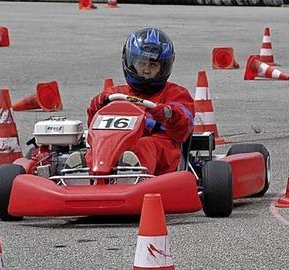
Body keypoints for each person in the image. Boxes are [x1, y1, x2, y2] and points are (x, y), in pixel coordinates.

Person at [68, 27, 195, 176]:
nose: (146, 71)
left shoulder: (177, 94)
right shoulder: (115, 93)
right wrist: (98, 103)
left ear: (164, 67)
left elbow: (184, 127)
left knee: (146, 144)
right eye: (142, 64)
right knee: (100, 145)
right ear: (130, 62)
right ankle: (83, 172)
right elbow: (93, 124)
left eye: (153, 65)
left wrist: (167, 113)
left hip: (162, 156)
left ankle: (132, 173)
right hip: (117, 146)